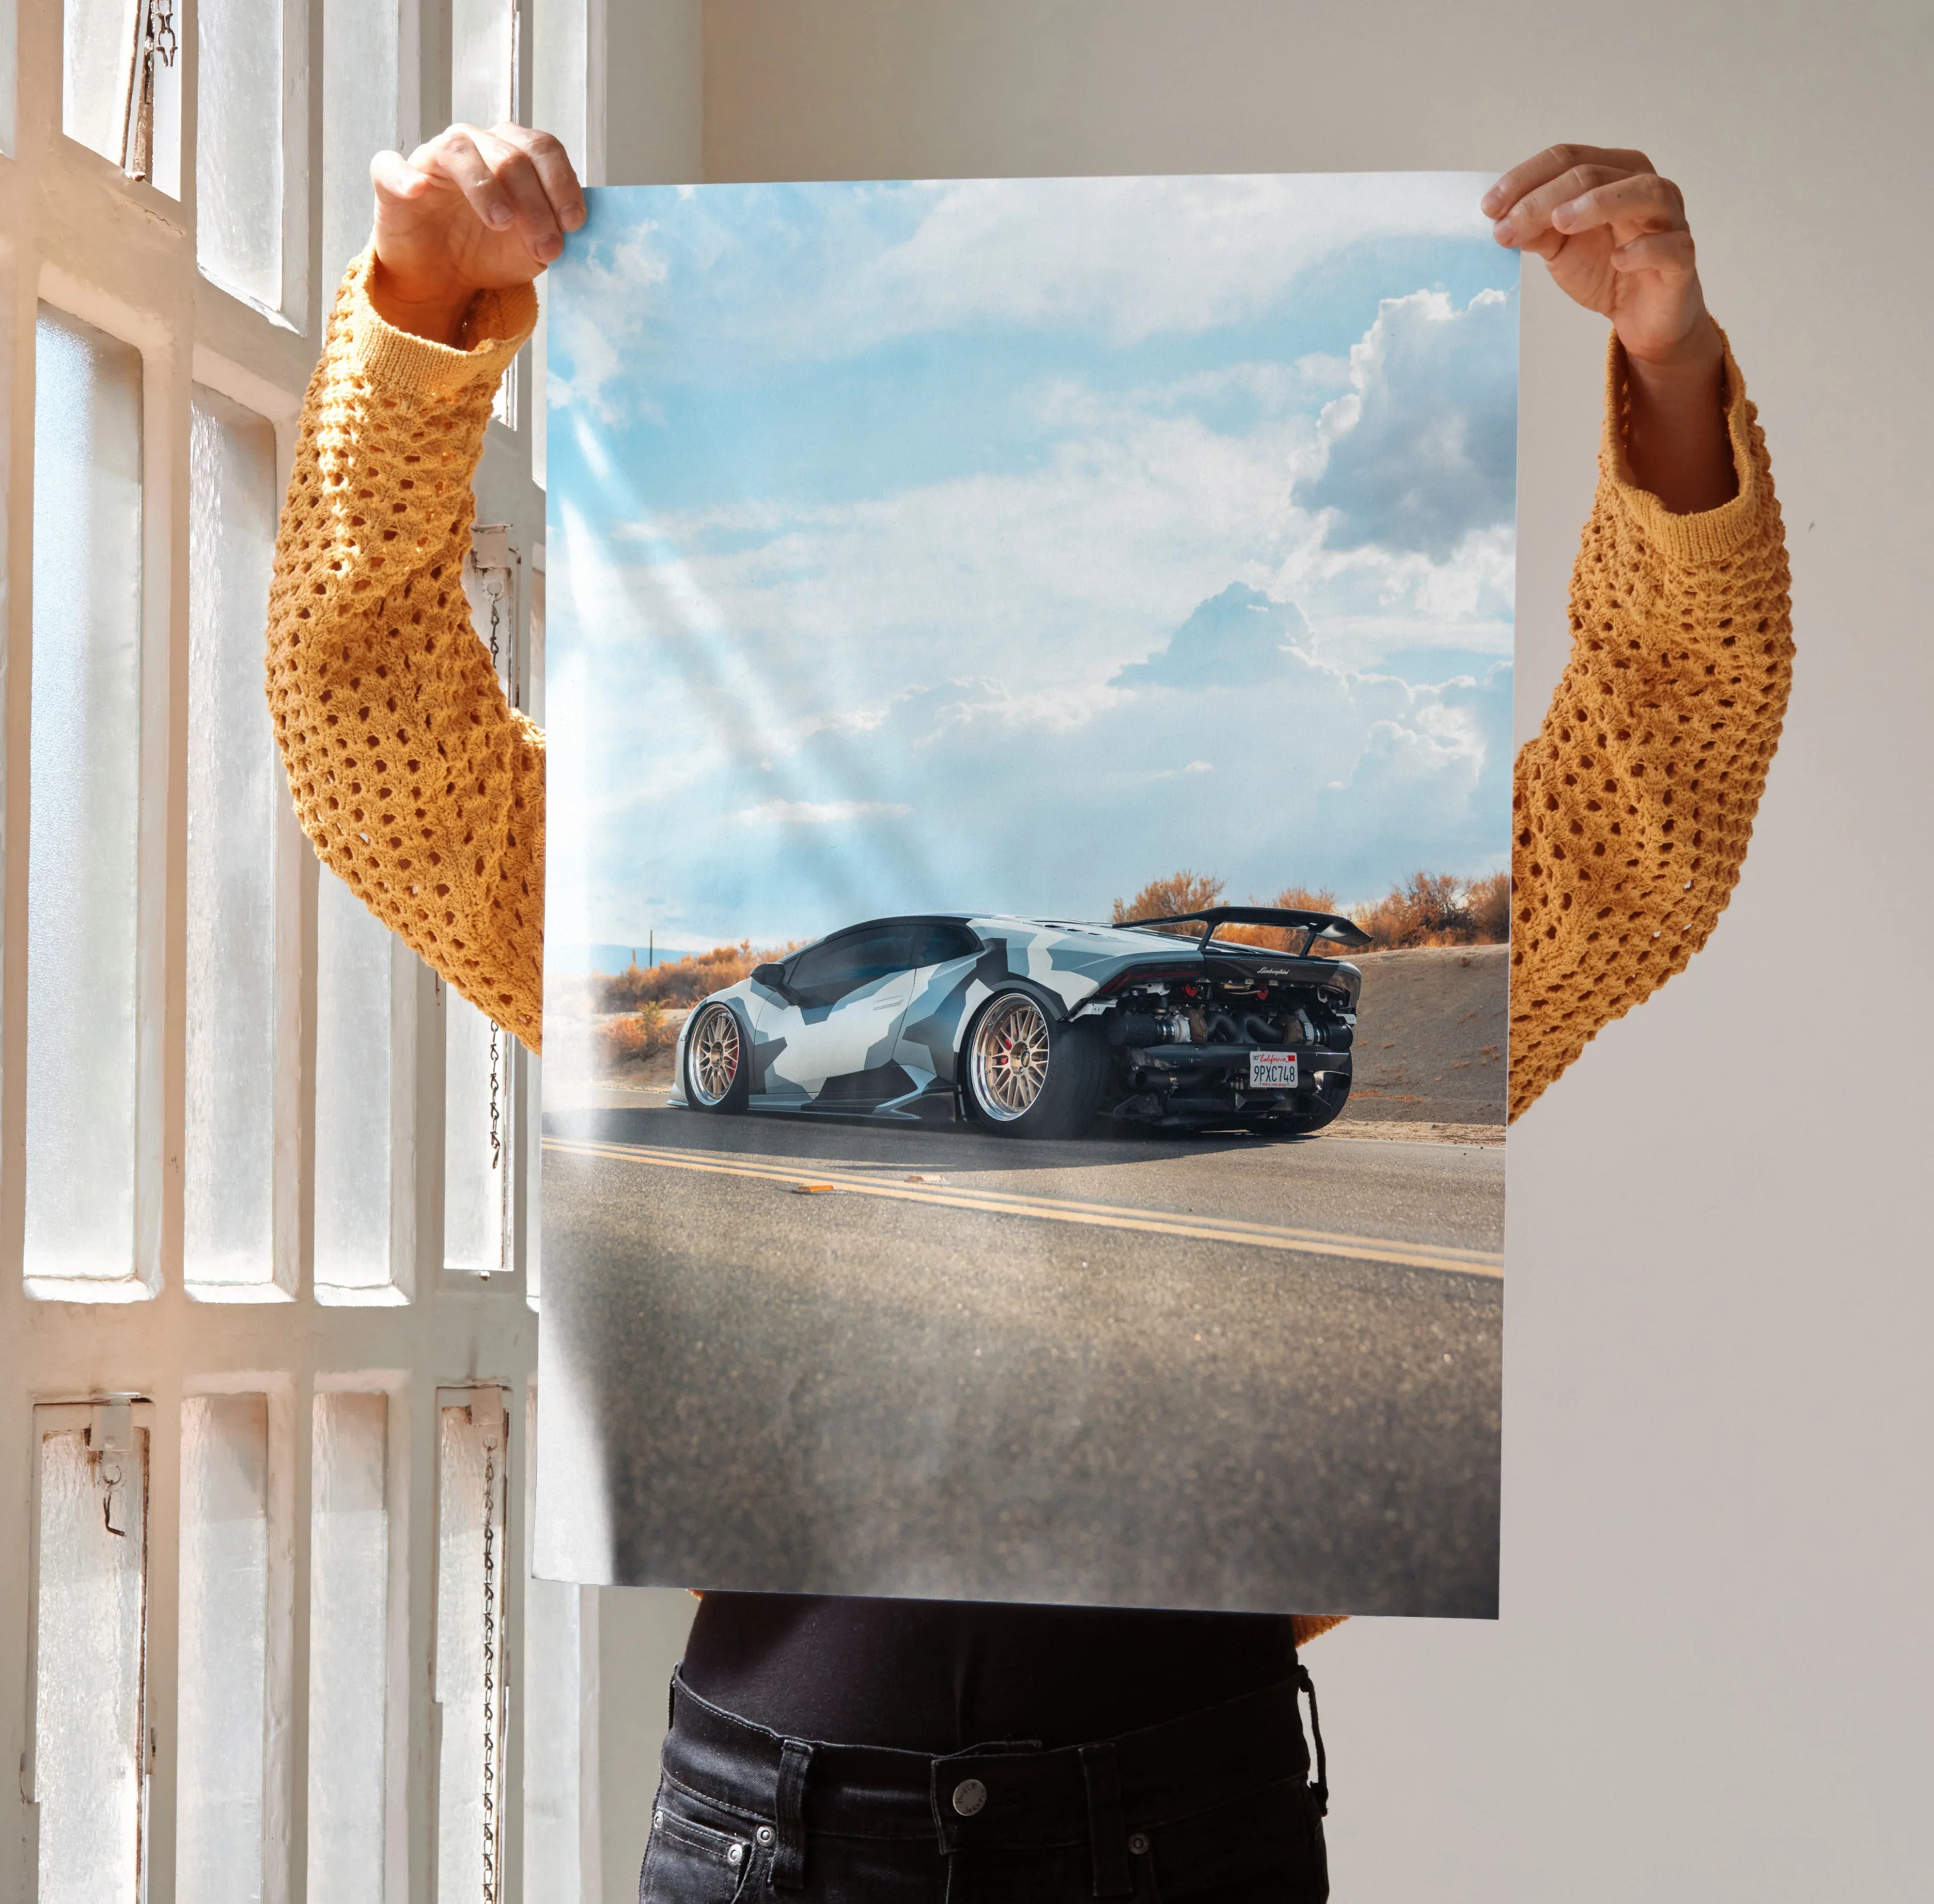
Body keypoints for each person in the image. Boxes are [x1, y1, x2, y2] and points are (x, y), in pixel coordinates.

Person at [267, 129, 1791, 1900]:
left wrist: (1671, 367)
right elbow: (371, 736)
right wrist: (419, 312)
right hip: (786, 1830)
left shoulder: (1160, 978)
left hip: (1174, 1817)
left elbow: (1644, 823)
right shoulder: (675, 934)